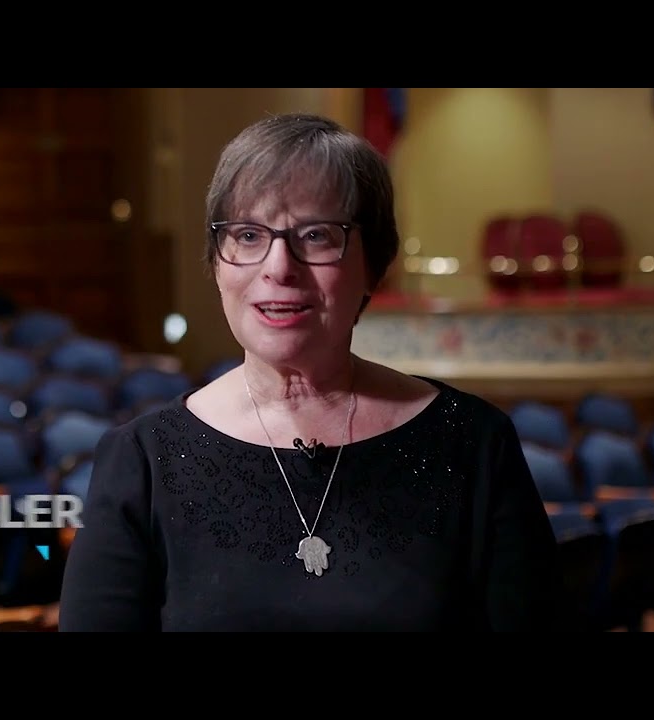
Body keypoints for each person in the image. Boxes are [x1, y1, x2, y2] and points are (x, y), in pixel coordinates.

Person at [58, 112, 565, 631]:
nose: (279, 266)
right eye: (249, 235)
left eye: (317, 235)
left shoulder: (475, 444)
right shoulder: (143, 461)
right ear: (216, 263)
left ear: (375, 263)